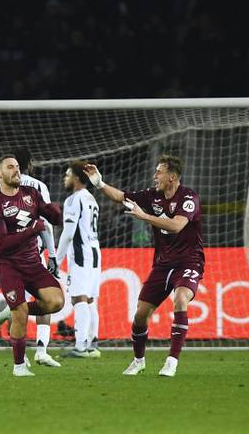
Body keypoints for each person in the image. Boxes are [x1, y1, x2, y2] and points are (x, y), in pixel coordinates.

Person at [85, 155, 202, 377]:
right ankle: (138, 361)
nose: (155, 175)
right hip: (163, 264)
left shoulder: (189, 198)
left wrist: (144, 216)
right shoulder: (152, 196)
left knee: (181, 299)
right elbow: (122, 197)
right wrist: (99, 183)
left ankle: (171, 362)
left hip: (189, 261)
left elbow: (177, 225)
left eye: (159, 172)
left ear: (172, 177)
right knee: (140, 315)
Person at [0, 155, 64, 376]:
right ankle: (19, 366)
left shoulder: (31, 193)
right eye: (10, 167)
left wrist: (55, 213)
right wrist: (32, 230)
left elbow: (49, 217)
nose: (16, 170)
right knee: (20, 314)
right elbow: (1, 244)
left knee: (56, 301)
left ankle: (12, 310)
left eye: (18, 167)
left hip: (32, 262)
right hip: (8, 265)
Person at [55, 161, 101, 359]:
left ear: (76, 177)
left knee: (78, 298)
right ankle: (92, 345)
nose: (64, 178)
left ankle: (81, 347)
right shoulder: (91, 198)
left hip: (81, 253)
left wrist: (56, 260)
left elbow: (68, 233)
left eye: (67, 175)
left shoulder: (73, 199)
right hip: (95, 252)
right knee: (90, 299)